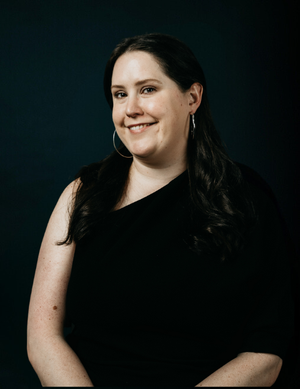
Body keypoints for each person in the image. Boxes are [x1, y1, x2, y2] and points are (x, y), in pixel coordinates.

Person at [27, 33, 294, 386]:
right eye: (120, 94)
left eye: (148, 89)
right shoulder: (83, 195)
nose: (131, 108)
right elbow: (43, 338)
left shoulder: (246, 197)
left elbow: (268, 350)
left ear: (192, 97)